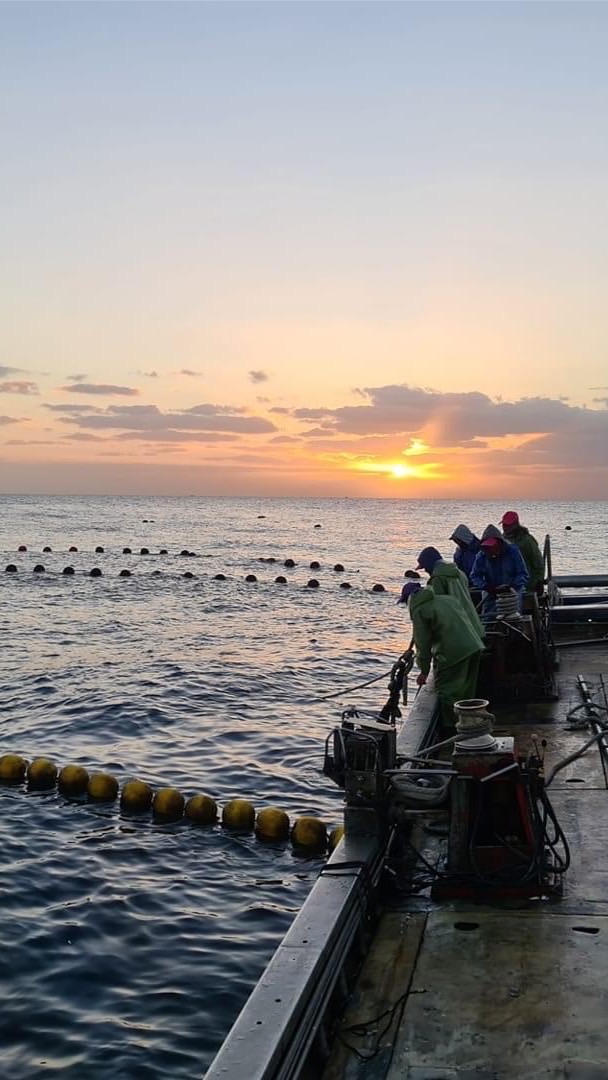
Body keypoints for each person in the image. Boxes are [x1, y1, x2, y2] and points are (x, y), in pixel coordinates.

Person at [400, 581, 485, 731]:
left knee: (447, 691)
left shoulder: (420, 610)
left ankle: (451, 730)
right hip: (475, 646)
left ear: (409, 599)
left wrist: (424, 671)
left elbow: (423, 644)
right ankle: (472, 726)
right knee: (467, 691)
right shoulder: (447, 599)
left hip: (454, 652)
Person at [415, 546, 484, 637]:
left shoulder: (438, 579)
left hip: (458, 630)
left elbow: (439, 610)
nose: (426, 571)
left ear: (429, 563)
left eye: (425, 567)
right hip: (474, 624)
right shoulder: (459, 572)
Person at [470, 524, 529, 621]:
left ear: (500, 543)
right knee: (488, 618)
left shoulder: (513, 552)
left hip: (512, 592)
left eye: (493, 546)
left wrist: (512, 586)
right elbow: (475, 576)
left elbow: (523, 574)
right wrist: (486, 587)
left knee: (513, 618)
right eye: (488, 547)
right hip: (491, 592)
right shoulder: (481, 556)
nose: (491, 549)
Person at [501, 511, 544, 595]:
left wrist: (538, 581)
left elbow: (538, 562)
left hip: (527, 586)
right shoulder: (502, 540)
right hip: (508, 585)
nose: (505, 528)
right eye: (504, 525)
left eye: (508, 525)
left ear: (515, 525)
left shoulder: (527, 541)